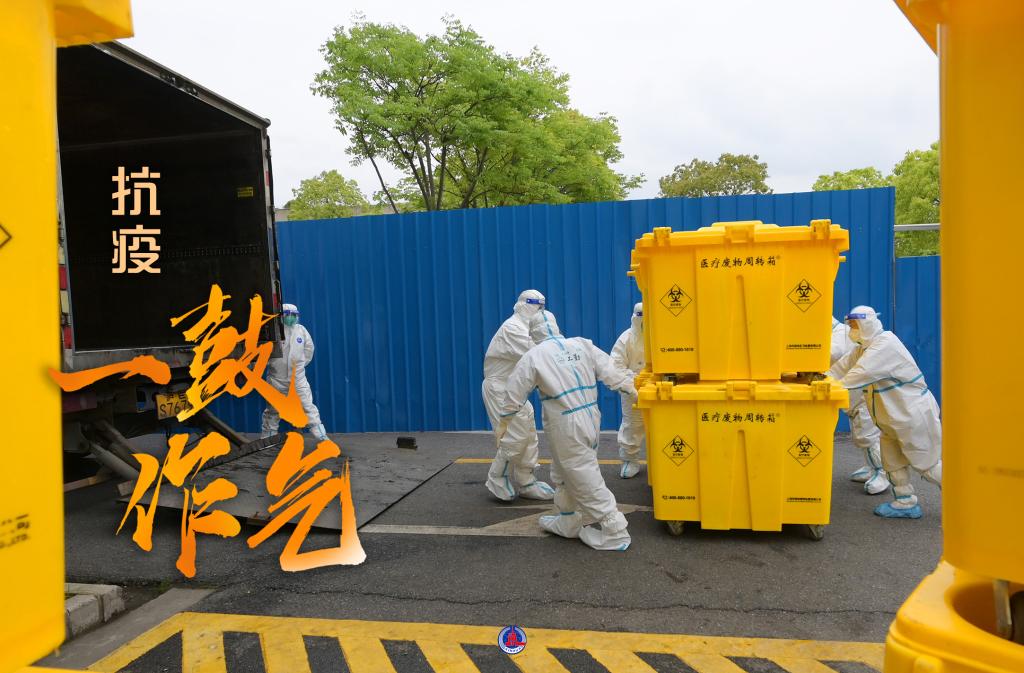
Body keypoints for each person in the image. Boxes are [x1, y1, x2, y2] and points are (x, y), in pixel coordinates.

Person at [499, 310, 638, 551]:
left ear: (533, 332)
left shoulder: (534, 356)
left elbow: (513, 393)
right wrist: (632, 389)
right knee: (563, 470)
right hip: (590, 416)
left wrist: (504, 422)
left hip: (565, 422)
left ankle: (615, 530)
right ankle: (568, 518)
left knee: (582, 473)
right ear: (555, 326)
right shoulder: (582, 344)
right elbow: (612, 372)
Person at [828, 306, 942, 519]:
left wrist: (828, 387)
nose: (852, 330)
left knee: (927, 465)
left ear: (868, 323)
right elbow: (841, 368)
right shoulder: (863, 348)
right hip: (891, 418)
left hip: (913, 415)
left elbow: (859, 373)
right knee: (892, 462)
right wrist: (819, 379)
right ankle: (905, 502)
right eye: (851, 325)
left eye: (856, 325)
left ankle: (965, 500)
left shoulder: (885, 344)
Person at [481, 290, 555, 501]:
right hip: (500, 389)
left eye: (542, 305)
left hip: (513, 390)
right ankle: (497, 477)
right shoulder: (512, 328)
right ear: (522, 305)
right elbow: (537, 354)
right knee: (515, 435)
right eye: (535, 304)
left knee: (529, 434)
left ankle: (526, 480)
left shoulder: (527, 328)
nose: (539, 309)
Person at [830, 316, 890, 495]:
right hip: (853, 396)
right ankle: (872, 466)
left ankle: (883, 472)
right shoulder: (846, 338)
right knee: (861, 433)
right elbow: (839, 367)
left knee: (867, 435)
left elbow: (832, 354)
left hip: (863, 396)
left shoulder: (839, 335)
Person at [260, 303, 328, 441]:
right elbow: (263, 353)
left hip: (298, 380)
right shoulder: (274, 332)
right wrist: (272, 365)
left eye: (294, 315)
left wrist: (299, 365)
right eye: (287, 314)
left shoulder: (301, 331)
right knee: (273, 410)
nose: (290, 317)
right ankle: (267, 439)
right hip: (276, 379)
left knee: (308, 407)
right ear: (281, 316)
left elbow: (309, 350)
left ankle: (322, 437)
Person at [611, 302, 646, 479]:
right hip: (633, 390)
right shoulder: (626, 339)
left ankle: (662, 460)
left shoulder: (663, 335)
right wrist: (633, 382)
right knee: (632, 425)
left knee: (664, 426)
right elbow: (615, 366)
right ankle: (629, 460)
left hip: (660, 389)